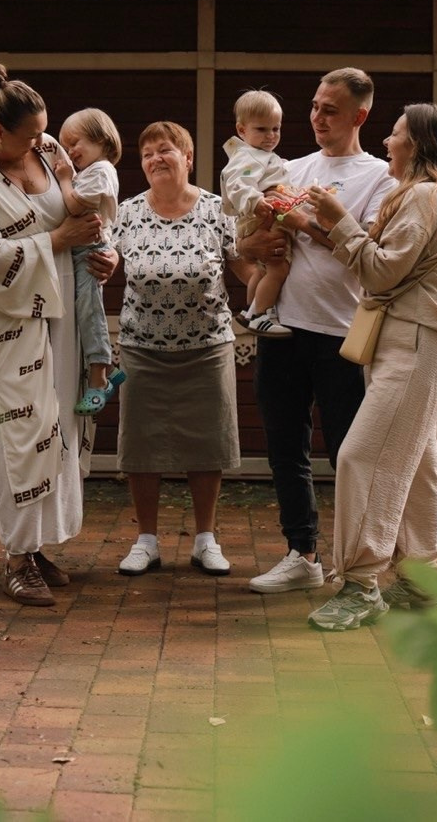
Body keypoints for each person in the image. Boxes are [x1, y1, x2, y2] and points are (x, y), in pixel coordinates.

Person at [302, 103, 437, 630]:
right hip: (415, 340)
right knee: (416, 459)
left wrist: (339, 223)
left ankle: (361, 584)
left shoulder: (425, 196)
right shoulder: (429, 195)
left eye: (396, 134)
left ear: (418, 145)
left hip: (418, 341)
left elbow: (380, 274)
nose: (386, 143)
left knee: (362, 456)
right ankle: (421, 580)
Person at [0, 64, 115, 607]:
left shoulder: (43, 152)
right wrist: (59, 240)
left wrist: (101, 254)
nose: (40, 145)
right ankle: (16, 558)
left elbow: (84, 210)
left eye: (42, 134)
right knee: (21, 430)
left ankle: (38, 546)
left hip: (65, 307)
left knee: (57, 425)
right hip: (11, 317)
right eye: (28, 136)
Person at [238, 68, 397, 595]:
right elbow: (247, 241)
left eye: (330, 109)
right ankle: (301, 553)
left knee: (350, 452)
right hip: (283, 328)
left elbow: (366, 251)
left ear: (360, 116)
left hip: (342, 332)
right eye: (313, 106)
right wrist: (253, 246)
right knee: (285, 445)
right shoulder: (291, 167)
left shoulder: (380, 178)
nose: (317, 117)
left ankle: (358, 562)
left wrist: (307, 223)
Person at [110, 121, 255, 577]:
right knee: (141, 445)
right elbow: (108, 259)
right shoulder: (127, 212)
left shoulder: (216, 210)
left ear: (188, 158)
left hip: (207, 345)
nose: (155, 158)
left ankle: (206, 539)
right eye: (147, 152)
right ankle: (146, 540)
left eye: (166, 150)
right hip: (141, 346)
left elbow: (247, 268)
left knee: (206, 443)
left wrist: (279, 280)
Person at [52, 107, 127, 415]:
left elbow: (73, 206)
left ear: (103, 141)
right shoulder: (89, 172)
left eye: (75, 142)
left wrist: (65, 179)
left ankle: (100, 376)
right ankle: (99, 372)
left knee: (89, 309)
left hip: (89, 250)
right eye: (65, 146)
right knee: (78, 312)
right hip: (77, 250)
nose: (70, 152)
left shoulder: (102, 171)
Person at [220, 89, 293, 338]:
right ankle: (260, 315)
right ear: (242, 130)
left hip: (257, 215)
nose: (271, 136)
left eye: (276, 129)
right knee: (278, 268)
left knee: (262, 270)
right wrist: (256, 200)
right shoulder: (248, 156)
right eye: (262, 129)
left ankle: (251, 311)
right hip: (258, 216)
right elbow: (238, 183)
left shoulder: (260, 156)